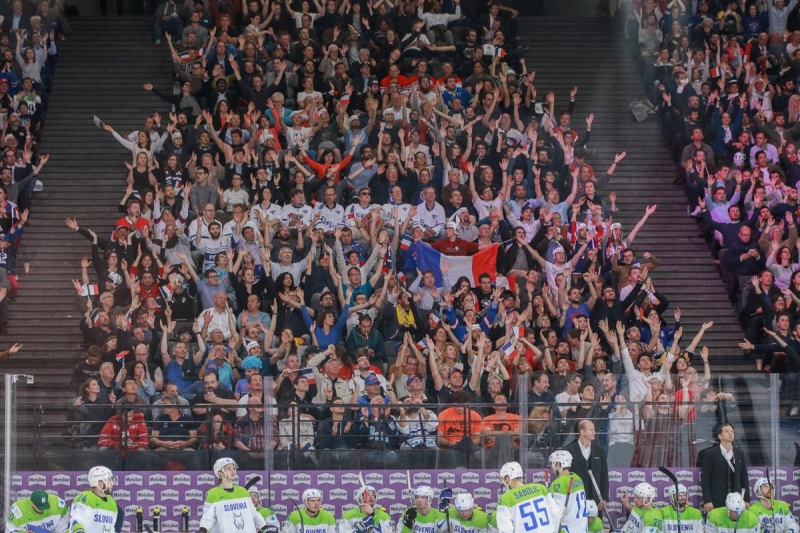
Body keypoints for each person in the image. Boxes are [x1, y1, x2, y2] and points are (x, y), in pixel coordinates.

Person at [494, 461, 560, 533]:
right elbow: (555, 514)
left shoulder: (505, 499)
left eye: (503, 478)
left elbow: (505, 529)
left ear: (507, 477)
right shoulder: (541, 488)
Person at [699, 423, 750, 511]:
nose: (730, 433)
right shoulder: (711, 454)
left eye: (732, 432)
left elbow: (744, 478)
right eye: (726, 431)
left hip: (736, 499)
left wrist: (746, 499)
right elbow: (705, 479)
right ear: (720, 436)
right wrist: (707, 500)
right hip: (717, 499)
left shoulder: (739, 454)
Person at [565, 420, 608, 507]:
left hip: (596, 500)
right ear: (582, 432)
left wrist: (604, 498)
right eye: (591, 430)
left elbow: (604, 475)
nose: (594, 432)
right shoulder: (569, 451)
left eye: (594, 429)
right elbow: (566, 477)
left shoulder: (599, 450)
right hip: (576, 499)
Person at [67, 466, 122, 533]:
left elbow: (111, 528)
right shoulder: (85, 498)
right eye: (109, 480)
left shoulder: (112, 502)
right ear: (100, 483)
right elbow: (76, 521)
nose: (112, 483)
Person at [547, 450, 588, 533]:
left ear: (558, 464)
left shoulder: (558, 483)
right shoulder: (578, 478)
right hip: (582, 527)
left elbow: (556, 512)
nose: (551, 467)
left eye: (553, 463)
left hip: (568, 529)